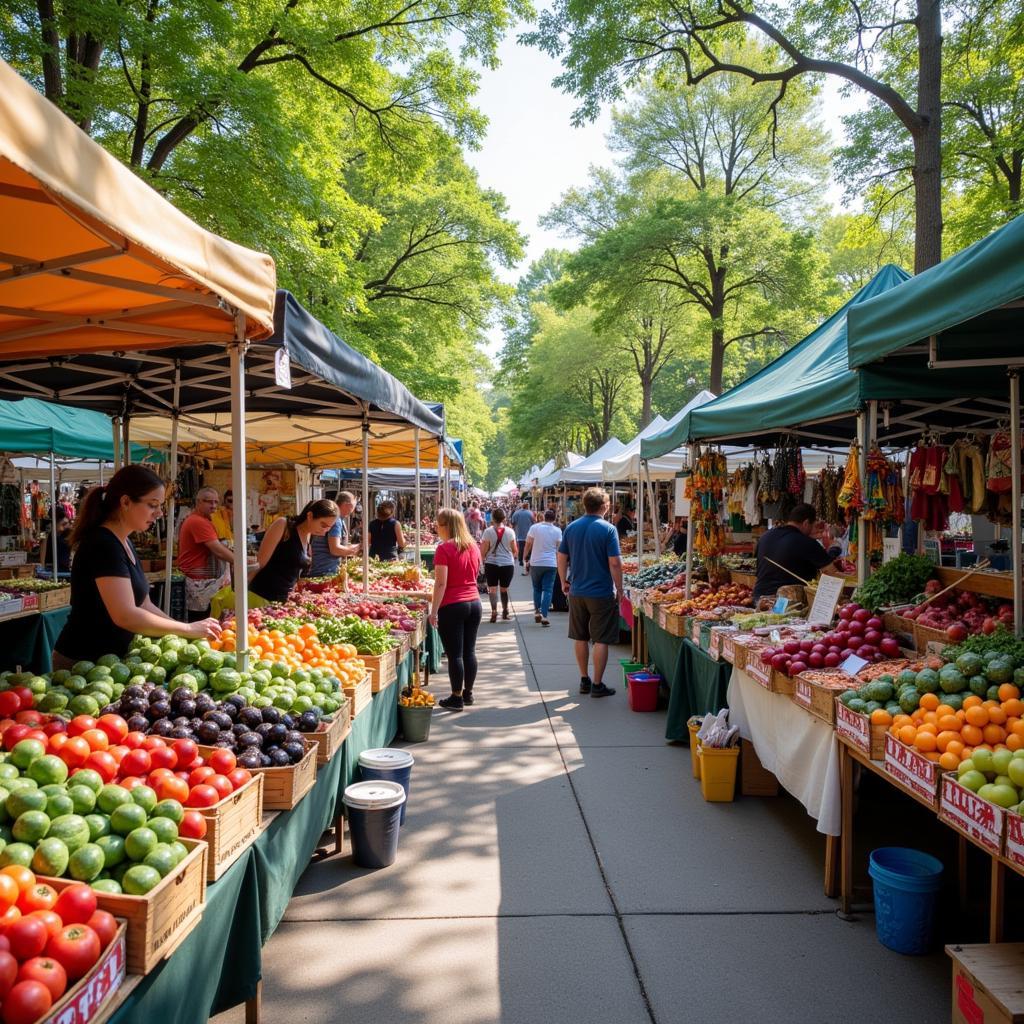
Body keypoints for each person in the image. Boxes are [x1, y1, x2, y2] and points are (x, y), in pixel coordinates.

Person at [52, 465, 222, 668]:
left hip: (111, 663)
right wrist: (186, 630)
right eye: (152, 505)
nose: (159, 513)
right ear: (125, 502)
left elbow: (143, 604)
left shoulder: (124, 542)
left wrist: (181, 631)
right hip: (81, 663)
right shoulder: (103, 545)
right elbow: (125, 614)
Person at [557, 487, 622, 699]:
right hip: (601, 591)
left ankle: (584, 679)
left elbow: (561, 556)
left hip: (577, 590)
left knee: (580, 636)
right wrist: (619, 588)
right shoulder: (608, 529)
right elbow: (614, 563)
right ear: (603, 506)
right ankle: (597, 684)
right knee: (601, 639)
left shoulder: (571, 528)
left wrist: (563, 580)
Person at [429, 507, 482, 711]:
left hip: (453, 604)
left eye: (438, 524)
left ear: (446, 526)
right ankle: (468, 693)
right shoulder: (473, 546)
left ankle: (456, 696)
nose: (436, 527)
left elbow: (440, 583)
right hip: (474, 602)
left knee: (455, 654)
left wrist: (433, 611)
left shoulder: (444, 549)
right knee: (469, 651)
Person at [249, 498, 339, 603]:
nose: (325, 531)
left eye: (329, 528)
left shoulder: (310, 537)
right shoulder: (283, 525)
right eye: (323, 525)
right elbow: (260, 563)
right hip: (261, 596)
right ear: (310, 516)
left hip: (282, 602)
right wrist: (241, 590)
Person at [753, 502, 843, 601]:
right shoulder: (806, 542)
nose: (813, 530)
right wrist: (834, 548)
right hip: (786, 603)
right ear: (806, 523)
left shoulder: (765, 536)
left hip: (759, 598)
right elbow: (831, 572)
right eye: (812, 526)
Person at [178, 487, 236, 620]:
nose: (214, 505)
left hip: (202, 582)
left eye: (216, 502)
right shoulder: (198, 522)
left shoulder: (203, 520)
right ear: (198, 502)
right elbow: (217, 550)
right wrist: (241, 561)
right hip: (199, 583)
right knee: (202, 621)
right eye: (209, 502)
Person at [524, 508, 562, 626]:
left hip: (536, 562)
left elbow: (528, 544)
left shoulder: (535, 528)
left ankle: (537, 612)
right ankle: (544, 615)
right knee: (548, 590)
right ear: (554, 519)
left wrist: (525, 557)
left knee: (537, 588)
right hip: (551, 563)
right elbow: (559, 549)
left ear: (544, 517)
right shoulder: (557, 530)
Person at [480, 508, 518, 623]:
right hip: (507, 564)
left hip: (491, 563)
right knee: (504, 589)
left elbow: (483, 550)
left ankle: (494, 612)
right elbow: (514, 550)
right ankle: (505, 611)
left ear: (492, 518)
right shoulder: (510, 531)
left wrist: (483, 560)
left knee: (492, 589)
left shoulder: (488, 531)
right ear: (504, 518)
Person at [308, 490, 359, 576]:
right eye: (353, 507)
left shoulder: (337, 519)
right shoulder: (336, 520)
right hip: (324, 571)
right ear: (348, 505)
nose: (353, 511)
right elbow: (335, 549)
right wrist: (355, 549)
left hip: (319, 568)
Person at [40, 505, 71, 575]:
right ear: (54, 522)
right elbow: (41, 545)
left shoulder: (67, 533)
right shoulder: (44, 532)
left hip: (65, 570)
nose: (66, 526)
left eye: (67, 523)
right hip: (50, 570)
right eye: (63, 524)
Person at [510, 500, 534, 575]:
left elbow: (513, 522)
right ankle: (527, 559)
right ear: (527, 506)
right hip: (529, 534)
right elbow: (534, 522)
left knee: (521, 546)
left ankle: (521, 560)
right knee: (529, 548)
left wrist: (514, 528)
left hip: (520, 533)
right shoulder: (530, 513)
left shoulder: (517, 513)